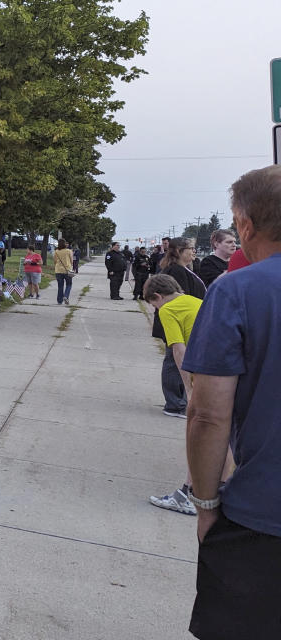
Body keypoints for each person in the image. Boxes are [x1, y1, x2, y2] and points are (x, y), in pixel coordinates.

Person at [182, 165, 281, 639]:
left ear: (245, 225)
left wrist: (205, 504)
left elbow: (207, 413)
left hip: (263, 519)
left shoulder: (237, 290)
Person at [143, 274, 205, 514]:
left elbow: (179, 350)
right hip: (223, 371)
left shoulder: (168, 310)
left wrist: (188, 388)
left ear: (158, 297)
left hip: (202, 375)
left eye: (153, 305)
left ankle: (189, 494)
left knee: (197, 437)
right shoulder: (195, 301)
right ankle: (196, 490)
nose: (156, 309)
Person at [151, 237, 206, 418]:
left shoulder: (184, 269)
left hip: (181, 323)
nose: (193, 252)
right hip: (176, 323)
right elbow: (177, 300)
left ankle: (179, 400)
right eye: (190, 248)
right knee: (174, 361)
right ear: (179, 251)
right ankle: (174, 404)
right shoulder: (176, 271)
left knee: (178, 361)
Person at [53, 239, 74, 304]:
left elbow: (55, 261)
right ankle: (66, 296)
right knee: (69, 284)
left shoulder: (56, 251)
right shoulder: (69, 251)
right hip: (67, 270)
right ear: (65, 244)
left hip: (58, 270)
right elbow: (71, 261)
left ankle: (59, 301)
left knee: (60, 286)